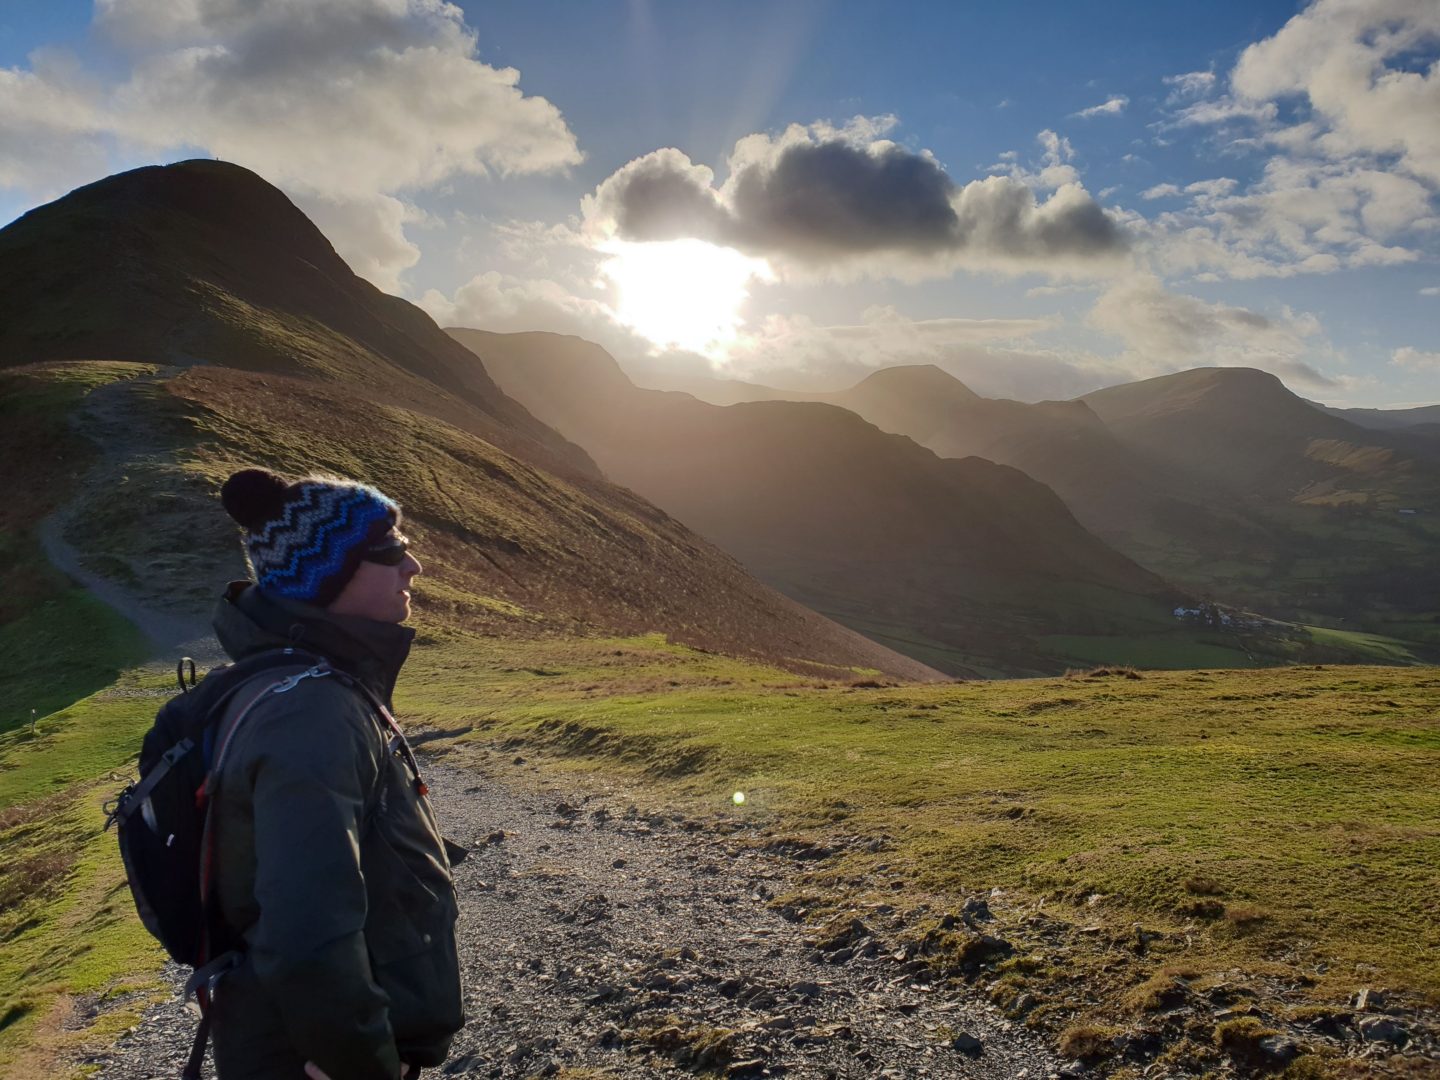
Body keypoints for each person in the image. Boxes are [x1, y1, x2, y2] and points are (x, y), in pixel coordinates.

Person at [208, 468, 464, 1080]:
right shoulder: (311, 712)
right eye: (388, 550)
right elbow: (307, 930)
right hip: (309, 1059)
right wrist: (364, 1064)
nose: (413, 567)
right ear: (325, 576)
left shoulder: (309, 686)